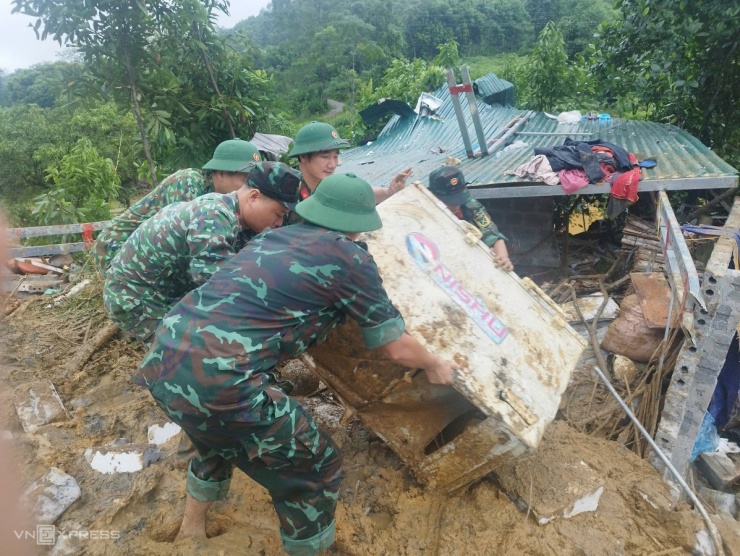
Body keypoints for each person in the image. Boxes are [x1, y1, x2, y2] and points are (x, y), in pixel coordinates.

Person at [137, 172, 458, 555]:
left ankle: (191, 530)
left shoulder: (273, 237)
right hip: (222, 379)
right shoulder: (351, 258)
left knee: (215, 438)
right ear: (359, 224)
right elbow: (397, 348)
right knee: (316, 468)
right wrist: (436, 364)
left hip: (163, 359)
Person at [103, 162, 300, 343]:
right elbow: (216, 285)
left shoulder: (240, 222)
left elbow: (250, 270)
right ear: (254, 197)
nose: (279, 223)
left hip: (165, 290)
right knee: (196, 352)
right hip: (136, 296)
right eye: (278, 214)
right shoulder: (214, 215)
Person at [93, 138, 262, 270]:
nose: (250, 188)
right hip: (116, 247)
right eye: (245, 179)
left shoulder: (226, 202)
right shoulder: (188, 183)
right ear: (220, 174)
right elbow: (183, 246)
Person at [288, 121, 412, 204]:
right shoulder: (287, 192)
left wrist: (389, 192)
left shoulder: (332, 184)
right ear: (303, 157)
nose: (332, 164)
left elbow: (358, 193)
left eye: (335, 156)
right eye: (325, 157)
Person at [428, 165, 514, 272]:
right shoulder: (426, 213)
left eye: (459, 197)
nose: (456, 205)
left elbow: (492, 234)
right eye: (450, 200)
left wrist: (503, 258)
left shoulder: (470, 205)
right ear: (434, 196)